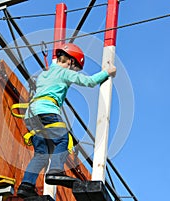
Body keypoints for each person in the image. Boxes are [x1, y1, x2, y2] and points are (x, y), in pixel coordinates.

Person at [16, 43, 117, 198]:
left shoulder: (44, 74)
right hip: (47, 110)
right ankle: (55, 171)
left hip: (31, 115)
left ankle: (26, 185)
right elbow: (89, 82)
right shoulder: (64, 72)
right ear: (70, 62)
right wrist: (107, 72)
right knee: (63, 139)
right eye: (75, 68)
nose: (74, 71)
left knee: (41, 154)